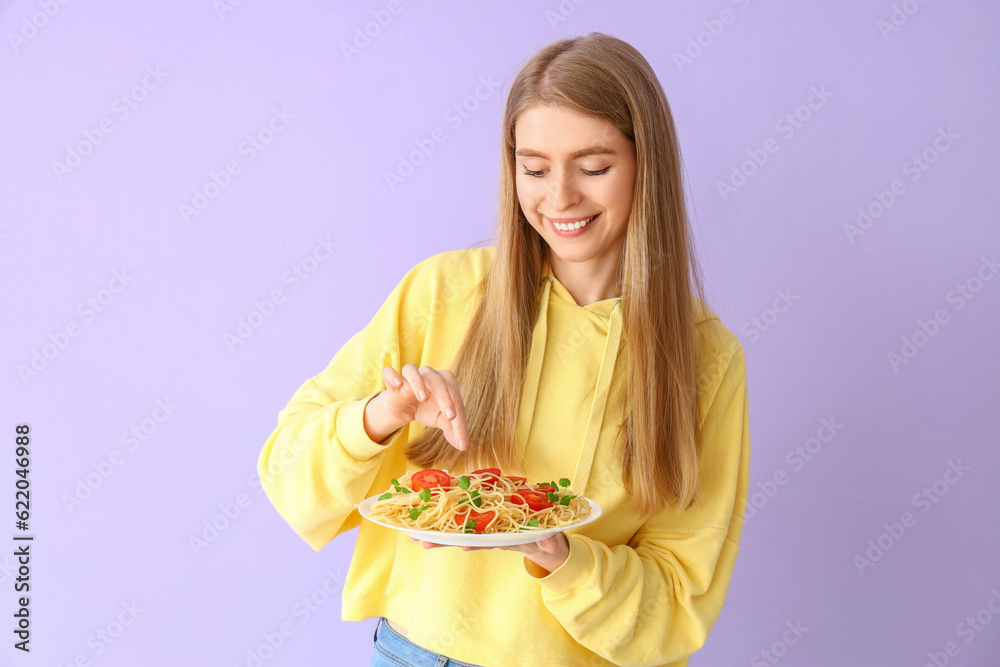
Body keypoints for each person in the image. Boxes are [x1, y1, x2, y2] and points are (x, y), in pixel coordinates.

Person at [258, 32, 750, 667]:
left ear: (645, 164)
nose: (560, 197)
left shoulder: (706, 359)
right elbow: (287, 472)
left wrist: (565, 558)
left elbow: (680, 597)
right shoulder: (443, 290)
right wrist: (382, 415)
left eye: (594, 167)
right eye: (535, 168)